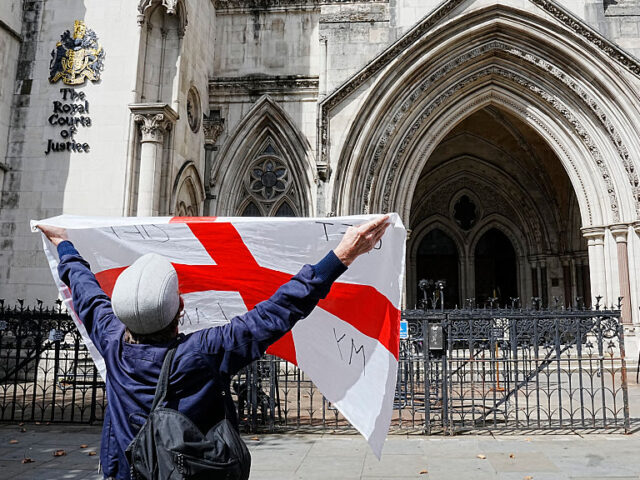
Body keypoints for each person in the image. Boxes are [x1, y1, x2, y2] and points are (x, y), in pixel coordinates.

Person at [38, 215, 389, 480]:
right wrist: (342, 255)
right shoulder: (203, 353)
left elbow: (85, 291)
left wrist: (65, 245)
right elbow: (277, 311)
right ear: (180, 308)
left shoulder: (110, 340)